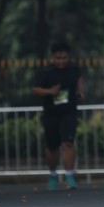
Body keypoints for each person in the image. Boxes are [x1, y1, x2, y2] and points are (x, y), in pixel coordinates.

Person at [32, 41, 84, 190]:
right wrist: (50, 91)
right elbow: (35, 89)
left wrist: (81, 92)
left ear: (69, 57)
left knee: (68, 143)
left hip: (69, 112)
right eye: (58, 58)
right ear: (53, 57)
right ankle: (53, 174)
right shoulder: (45, 72)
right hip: (51, 113)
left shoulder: (74, 69)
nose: (61, 61)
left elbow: (79, 79)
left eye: (64, 58)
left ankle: (69, 176)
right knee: (52, 146)